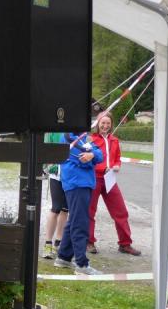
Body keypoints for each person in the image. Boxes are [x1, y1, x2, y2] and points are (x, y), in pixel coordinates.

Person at [88, 112, 141, 255]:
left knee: (121, 211)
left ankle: (125, 244)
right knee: (90, 211)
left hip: (109, 179)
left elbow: (117, 158)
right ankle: (89, 242)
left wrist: (117, 165)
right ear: (98, 123)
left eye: (108, 123)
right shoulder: (91, 139)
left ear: (111, 124)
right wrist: (100, 168)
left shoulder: (115, 140)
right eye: (103, 123)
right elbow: (88, 159)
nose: (105, 126)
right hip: (94, 178)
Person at [54, 133, 103, 275]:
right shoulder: (68, 137)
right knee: (80, 222)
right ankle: (82, 264)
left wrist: (92, 155)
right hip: (76, 183)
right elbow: (83, 160)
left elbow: (100, 155)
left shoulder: (82, 136)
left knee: (74, 220)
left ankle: (63, 257)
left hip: (82, 182)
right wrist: (92, 156)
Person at [42, 132, 68, 259]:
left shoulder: (75, 130)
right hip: (56, 175)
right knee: (56, 208)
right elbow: (46, 148)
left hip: (70, 175)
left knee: (65, 209)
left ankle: (58, 242)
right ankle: (48, 244)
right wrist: (46, 166)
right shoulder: (53, 131)